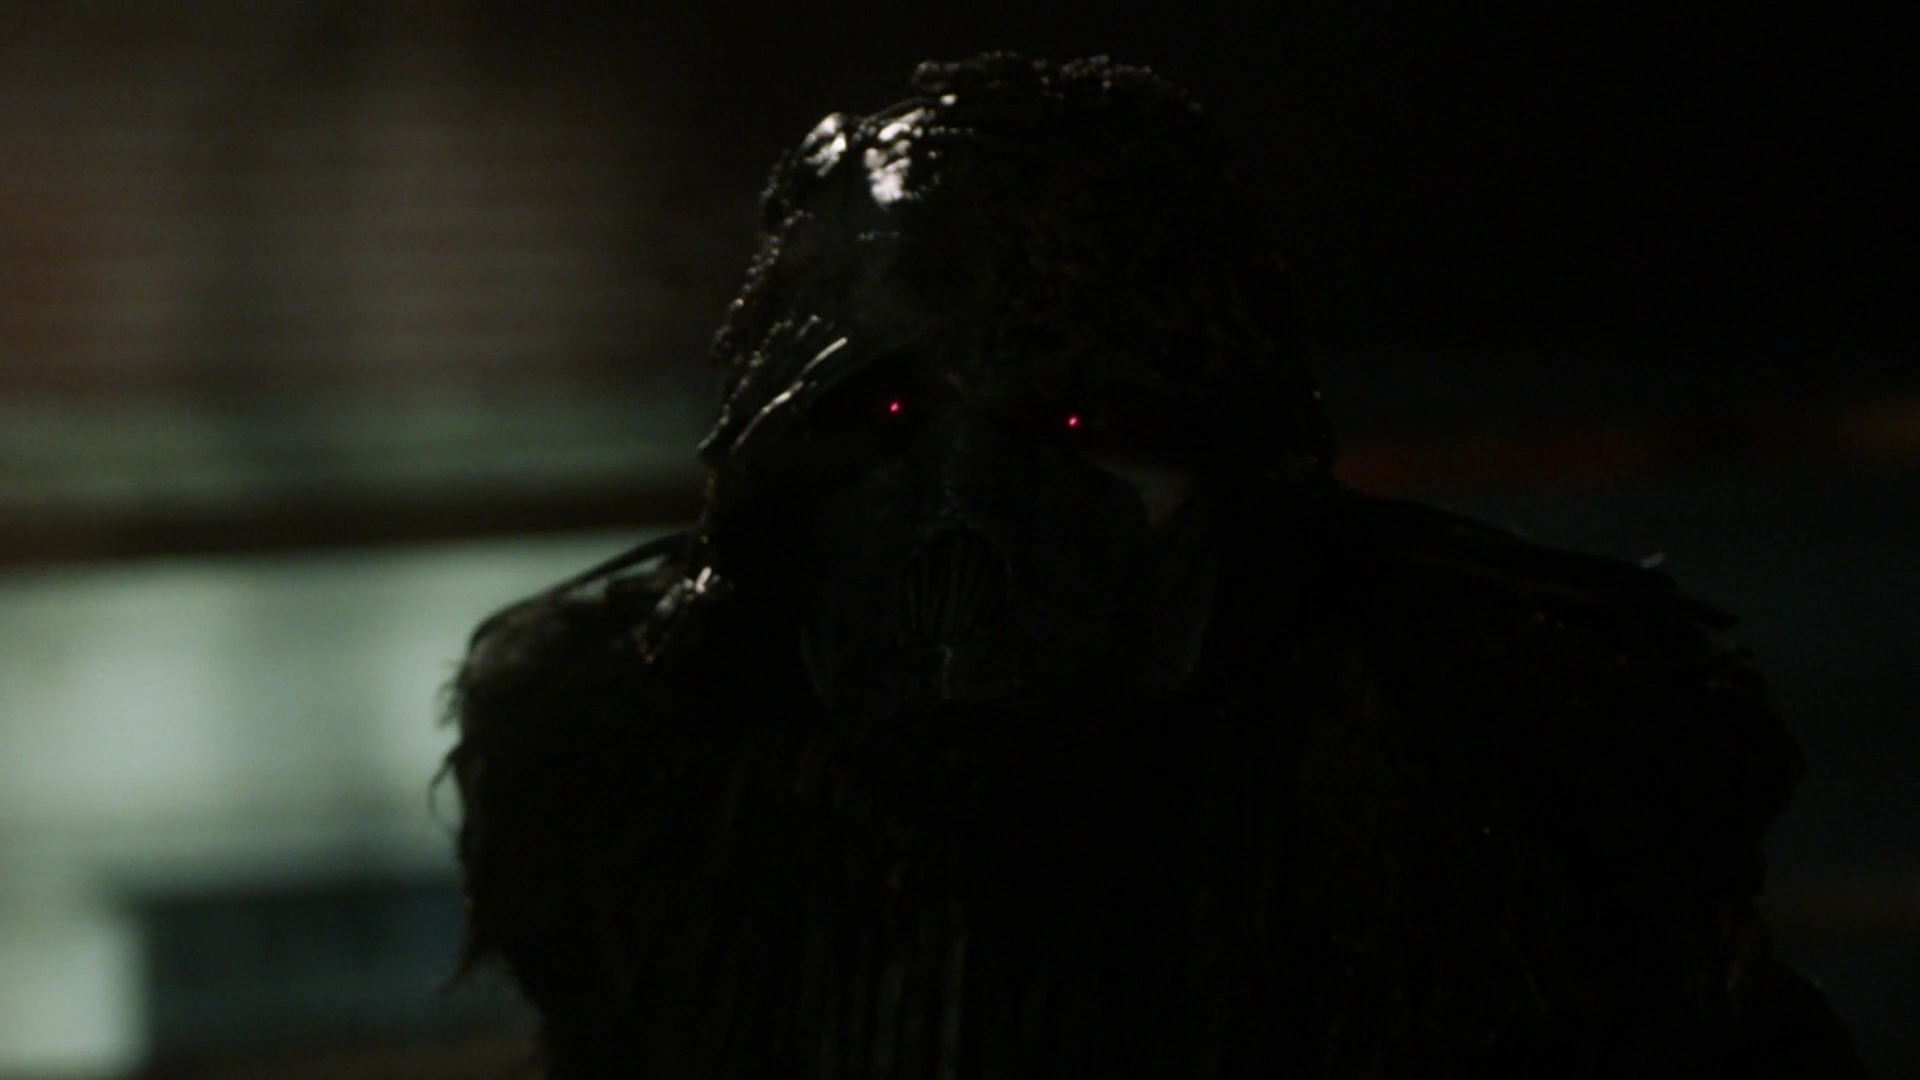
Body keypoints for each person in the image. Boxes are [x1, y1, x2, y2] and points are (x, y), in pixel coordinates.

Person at [445, 53, 1864, 1078]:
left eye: (1071, 423)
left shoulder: (1499, 754)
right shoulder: (625, 763)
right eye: (887, 419)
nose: (961, 522)